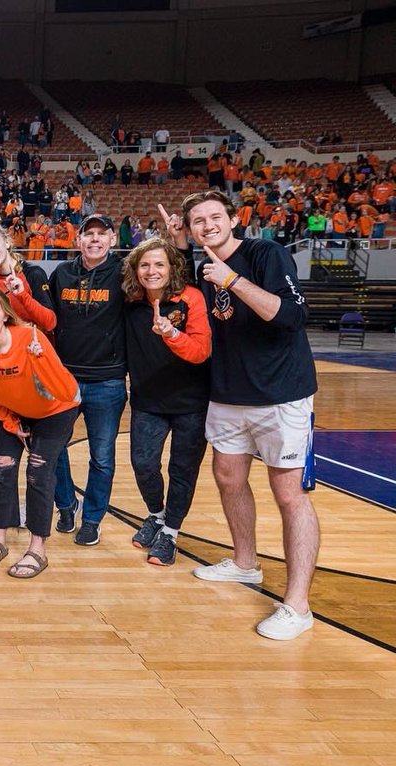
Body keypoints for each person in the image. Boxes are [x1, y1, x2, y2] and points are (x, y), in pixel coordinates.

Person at [181, 189, 321, 640]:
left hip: (281, 395)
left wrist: (232, 280)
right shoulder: (201, 267)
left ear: (233, 218)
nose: (207, 225)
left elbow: (291, 317)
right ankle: (245, 563)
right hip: (228, 395)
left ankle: (297, 606)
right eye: (197, 221)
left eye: (214, 216)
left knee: (289, 495)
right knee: (228, 477)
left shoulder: (266, 253)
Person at [0, 287, 80, 579]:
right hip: (12, 411)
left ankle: (38, 548)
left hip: (55, 411)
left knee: (38, 470)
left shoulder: (29, 338)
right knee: (3, 466)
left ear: (5, 315)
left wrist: (42, 361)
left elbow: (67, 391)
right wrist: (11, 422)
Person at [121, 238, 211, 567]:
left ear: (172, 267)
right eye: (144, 264)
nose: (151, 270)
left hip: (191, 402)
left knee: (182, 470)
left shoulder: (191, 298)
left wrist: (172, 335)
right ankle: (157, 516)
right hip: (147, 400)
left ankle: (171, 532)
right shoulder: (130, 301)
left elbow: (201, 352)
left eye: (159, 264)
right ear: (135, 269)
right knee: (144, 464)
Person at [48, 214, 127, 547]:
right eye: (88, 234)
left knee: (103, 456)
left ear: (111, 239)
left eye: (101, 234)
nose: (94, 240)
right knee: (52, 448)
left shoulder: (124, 274)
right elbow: (49, 319)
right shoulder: (62, 274)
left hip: (107, 380)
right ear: (77, 239)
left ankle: (92, 519)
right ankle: (66, 505)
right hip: (64, 377)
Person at [0, 222, 56, 525]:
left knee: (44, 450)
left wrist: (23, 296)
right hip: (4, 373)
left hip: (37, 371)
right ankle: (4, 525)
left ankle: (65, 506)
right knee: (6, 450)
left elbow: (50, 321)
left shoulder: (32, 274)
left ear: (7, 242)